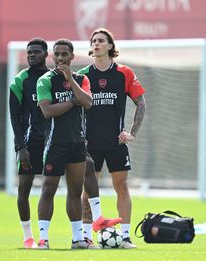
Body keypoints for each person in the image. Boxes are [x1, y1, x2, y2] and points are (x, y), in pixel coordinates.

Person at [36, 38, 121, 250]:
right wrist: (73, 101)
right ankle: (43, 239)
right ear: (53, 56)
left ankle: (77, 239)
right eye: (57, 54)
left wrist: (71, 82)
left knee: (74, 192)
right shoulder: (45, 80)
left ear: (72, 56)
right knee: (48, 190)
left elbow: (89, 103)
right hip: (55, 144)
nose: (61, 58)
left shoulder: (81, 79)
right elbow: (48, 111)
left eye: (65, 54)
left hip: (77, 144)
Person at [78, 28, 146, 249]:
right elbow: (75, 108)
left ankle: (125, 237)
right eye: (94, 41)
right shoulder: (82, 75)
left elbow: (141, 103)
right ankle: (86, 238)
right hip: (90, 143)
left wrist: (132, 133)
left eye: (101, 41)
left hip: (117, 142)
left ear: (110, 46)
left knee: (122, 186)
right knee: (88, 190)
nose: (96, 44)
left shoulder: (124, 73)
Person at [9, 38, 50, 249]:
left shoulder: (55, 77)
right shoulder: (19, 81)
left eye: (36, 52)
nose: (31, 55)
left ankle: (78, 235)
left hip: (55, 141)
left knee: (55, 188)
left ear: (45, 54)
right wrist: (20, 147)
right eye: (29, 53)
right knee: (24, 190)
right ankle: (28, 238)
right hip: (30, 143)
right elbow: (14, 118)